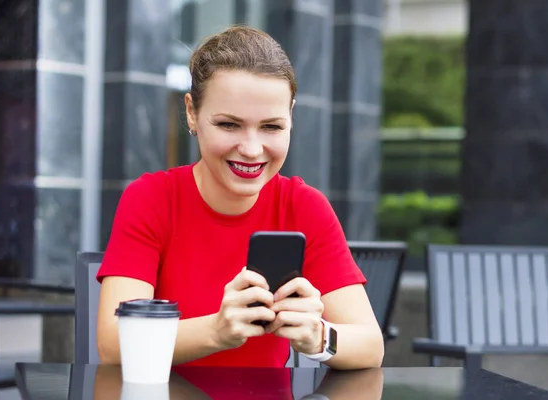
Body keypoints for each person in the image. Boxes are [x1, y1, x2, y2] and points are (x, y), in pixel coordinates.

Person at [96, 25, 384, 371]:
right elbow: (115, 343)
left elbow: (370, 346)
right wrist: (217, 331)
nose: (251, 149)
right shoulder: (152, 199)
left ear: (291, 116)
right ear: (192, 113)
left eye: (271, 127)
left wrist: (318, 335)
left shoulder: (304, 207)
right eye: (229, 125)